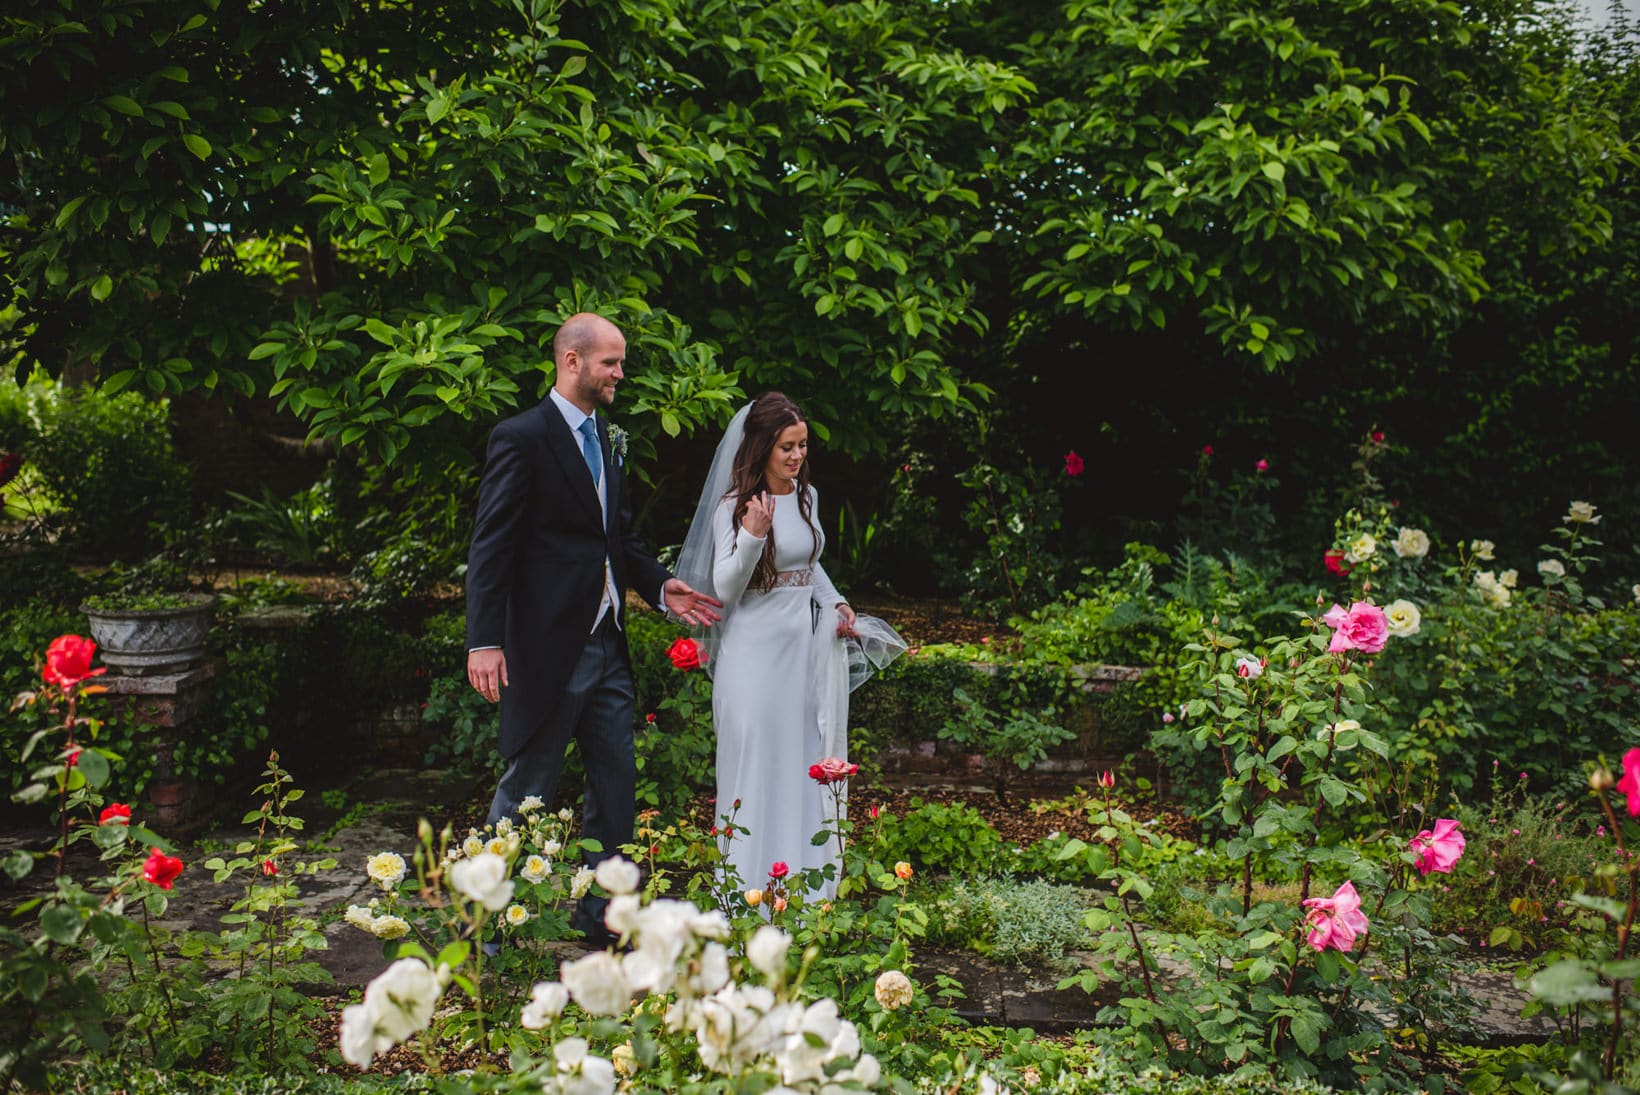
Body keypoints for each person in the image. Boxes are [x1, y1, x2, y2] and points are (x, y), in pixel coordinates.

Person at [465, 313, 721, 945]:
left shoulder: (609, 438)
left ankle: (604, 924)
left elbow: (619, 540)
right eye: (611, 362)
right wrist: (485, 640)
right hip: (549, 649)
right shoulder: (520, 438)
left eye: (621, 362)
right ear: (572, 361)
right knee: (526, 794)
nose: (620, 373)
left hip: (609, 646)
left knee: (615, 794)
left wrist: (661, 586)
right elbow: (491, 546)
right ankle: (482, 933)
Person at [674, 392, 904, 896]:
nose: (798, 456)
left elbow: (809, 562)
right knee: (755, 768)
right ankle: (746, 893)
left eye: (802, 446)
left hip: (799, 658)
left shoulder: (807, 496)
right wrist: (753, 536)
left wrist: (838, 602)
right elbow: (727, 587)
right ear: (761, 448)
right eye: (787, 447)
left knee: (798, 765)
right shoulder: (735, 506)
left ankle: (799, 886)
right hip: (752, 660)